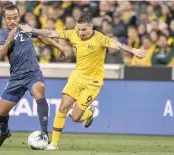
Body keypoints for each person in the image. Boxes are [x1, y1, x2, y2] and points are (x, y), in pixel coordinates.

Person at [20, 12, 147, 150]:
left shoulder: (100, 38)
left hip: (93, 83)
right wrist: (32, 30)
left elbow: (116, 44)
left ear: (91, 26)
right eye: (79, 29)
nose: (81, 32)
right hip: (76, 77)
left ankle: (89, 113)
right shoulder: (73, 34)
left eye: (84, 29)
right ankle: (54, 144)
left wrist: (133, 50)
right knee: (63, 107)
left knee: (75, 117)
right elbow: (51, 33)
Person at [0, 2, 66, 148]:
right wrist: (9, 40)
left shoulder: (25, 29)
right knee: (1, 112)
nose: (12, 21)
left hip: (33, 73)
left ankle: (44, 135)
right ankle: (4, 132)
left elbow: (41, 38)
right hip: (16, 78)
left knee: (39, 90)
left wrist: (59, 46)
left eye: (15, 17)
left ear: (19, 17)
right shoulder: (2, 34)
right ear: (4, 19)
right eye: (9, 18)